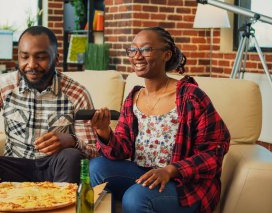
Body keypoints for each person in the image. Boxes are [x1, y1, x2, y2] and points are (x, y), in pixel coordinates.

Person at [89, 27, 230, 213]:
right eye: (133, 50)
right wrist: (104, 131)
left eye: (146, 49)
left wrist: (171, 170)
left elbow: (215, 151)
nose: (137, 56)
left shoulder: (191, 96)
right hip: (146, 175)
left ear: (166, 54)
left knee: (135, 198)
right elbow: (121, 150)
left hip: (184, 184)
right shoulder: (133, 98)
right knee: (97, 167)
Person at [0, 26, 98, 183]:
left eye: (40, 57)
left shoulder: (77, 94)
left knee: (71, 156)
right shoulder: (3, 86)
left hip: (55, 168)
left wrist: (71, 140)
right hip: (14, 167)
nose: (31, 65)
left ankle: (61, 205)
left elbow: (93, 151)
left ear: (56, 59)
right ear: (18, 58)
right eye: (24, 57)